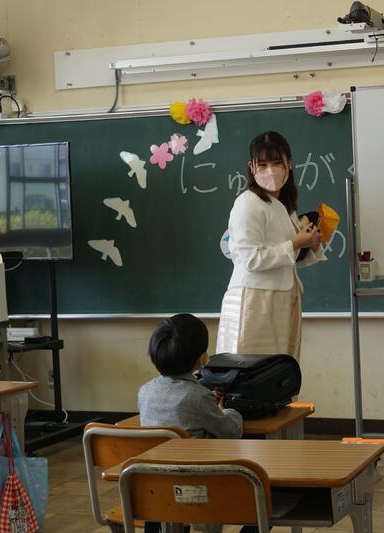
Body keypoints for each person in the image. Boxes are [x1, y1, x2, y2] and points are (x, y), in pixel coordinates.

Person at [216, 131, 325, 358]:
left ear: (289, 163)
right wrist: (295, 243)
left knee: (280, 369)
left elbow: (287, 258)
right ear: (251, 167)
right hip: (254, 299)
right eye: (262, 164)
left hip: (282, 296)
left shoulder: (283, 205)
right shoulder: (247, 203)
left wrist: (311, 243)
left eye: (277, 163)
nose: (270, 171)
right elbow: (251, 259)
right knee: (251, 368)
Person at [139, 313, 243, 439]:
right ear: (203, 358)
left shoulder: (144, 392)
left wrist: (208, 401)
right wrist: (226, 411)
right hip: (194, 452)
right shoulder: (199, 398)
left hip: (154, 452)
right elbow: (232, 432)